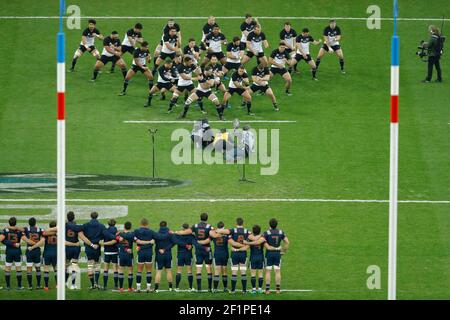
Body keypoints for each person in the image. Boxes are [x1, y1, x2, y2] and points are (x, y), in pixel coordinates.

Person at [216, 218, 250, 294]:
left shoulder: (232, 230)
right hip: (243, 253)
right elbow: (250, 242)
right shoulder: (247, 231)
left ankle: (233, 290)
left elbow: (230, 240)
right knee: (243, 271)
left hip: (234, 253)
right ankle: (244, 290)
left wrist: (218, 230)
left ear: (236, 223)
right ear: (243, 223)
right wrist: (244, 246)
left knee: (234, 272)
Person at [133, 218, 166, 293]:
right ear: (147, 224)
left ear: (140, 224)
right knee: (149, 271)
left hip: (140, 253)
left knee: (139, 271)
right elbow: (161, 237)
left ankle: (138, 288)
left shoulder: (136, 231)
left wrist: (140, 242)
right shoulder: (151, 232)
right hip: (149, 253)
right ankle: (148, 288)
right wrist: (150, 242)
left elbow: (135, 240)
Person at [28, 221, 58, 291]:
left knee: (46, 269)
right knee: (56, 269)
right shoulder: (58, 234)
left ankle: (46, 286)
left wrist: (32, 247)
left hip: (47, 253)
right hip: (55, 253)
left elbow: (40, 243)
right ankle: (57, 285)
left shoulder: (45, 234)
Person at [263, 218, 289, 294]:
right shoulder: (281, 232)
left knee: (268, 271)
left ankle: (267, 290)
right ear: (276, 224)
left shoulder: (266, 233)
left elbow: (263, 243)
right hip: (277, 254)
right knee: (277, 271)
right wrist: (283, 251)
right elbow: (287, 242)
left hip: (269, 254)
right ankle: (278, 289)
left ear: (269, 224)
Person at [2, 217, 24, 290]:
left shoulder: (5, 230)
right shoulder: (19, 231)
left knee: (7, 268)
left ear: (9, 223)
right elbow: (23, 238)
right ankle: (19, 286)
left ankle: (8, 286)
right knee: (18, 268)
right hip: (17, 251)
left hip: (9, 251)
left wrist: (9, 243)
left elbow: (2, 239)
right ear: (16, 223)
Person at [243, 225, 266, 294]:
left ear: (253, 231)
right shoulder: (262, 237)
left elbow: (246, 247)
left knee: (253, 274)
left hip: (252, 257)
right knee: (260, 274)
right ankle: (260, 289)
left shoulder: (249, 238)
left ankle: (253, 289)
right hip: (260, 257)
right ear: (260, 230)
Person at [22, 217, 44, 290]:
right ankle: (38, 285)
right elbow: (45, 235)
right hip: (37, 251)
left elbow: (21, 234)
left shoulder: (26, 229)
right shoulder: (39, 229)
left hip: (29, 251)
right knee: (38, 268)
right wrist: (36, 244)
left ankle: (30, 286)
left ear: (29, 223)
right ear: (35, 223)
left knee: (29, 268)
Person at [209, 221, 230, 292]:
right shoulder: (226, 235)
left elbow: (208, 240)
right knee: (224, 271)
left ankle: (215, 289)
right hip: (225, 254)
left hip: (217, 254)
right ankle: (225, 288)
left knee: (217, 271)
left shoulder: (214, 234)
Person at [116, 221, 135, 292]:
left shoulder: (119, 235)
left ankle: (121, 288)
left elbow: (116, 244)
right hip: (129, 255)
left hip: (121, 255)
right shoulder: (132, 234)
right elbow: (137, 241)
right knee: (130, 271)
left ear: (124, 226)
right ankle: (130, 288)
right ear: (131, 227)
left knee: (121, 271)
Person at [65, 211, 83, 290]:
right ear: (74, 217)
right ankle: (72, 284)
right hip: (75, 248)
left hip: (67, 247)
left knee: (66, 265)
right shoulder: (76, 226)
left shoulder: (64, 226)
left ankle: (65, 282)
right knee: (74, 266)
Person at [101, 219, 119, 290]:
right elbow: (114, 241)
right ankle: (116, 285)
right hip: (114, 251)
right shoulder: (115, 230)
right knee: (115, 268)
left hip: (107, 252)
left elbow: (103, 238)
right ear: (114, 224)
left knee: (106, 269)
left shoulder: (106, 230)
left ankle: (105, 285)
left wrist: (103, 244)